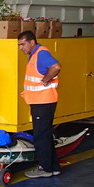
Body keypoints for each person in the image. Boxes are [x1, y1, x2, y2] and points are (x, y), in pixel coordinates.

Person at [17, 30, 62, 178]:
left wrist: (45, 80)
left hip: (43, 102)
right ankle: (53, 167)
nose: (21, 48)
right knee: (45, 135)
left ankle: (45, 168)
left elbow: (56, 67)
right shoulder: (35, 54)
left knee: (41, 136)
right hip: (41, 101)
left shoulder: (41, 54)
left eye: (23, 44)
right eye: (19, 45)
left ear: (32, 42)